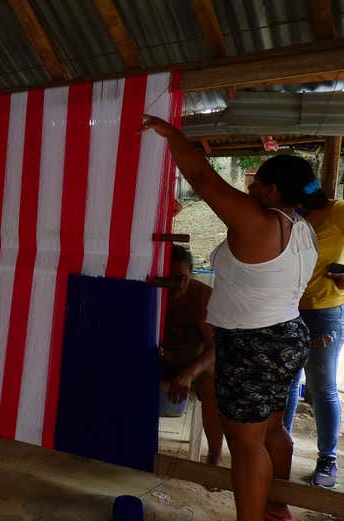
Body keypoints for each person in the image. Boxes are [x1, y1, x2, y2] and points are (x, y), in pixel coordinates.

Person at [142, 117, 318, 521]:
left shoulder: (259, 222)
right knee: (272, 430)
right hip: (288, 336)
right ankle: (277, 507)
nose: (249, 189)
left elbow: (202, 176)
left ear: (271, 189)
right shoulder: (302, 228)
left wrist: (172, 135)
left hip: (253, 342)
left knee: (246, 445)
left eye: (256, 184)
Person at [283, 193, 344, 488]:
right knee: (288, 382)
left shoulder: (336, 212)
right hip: (286, 308)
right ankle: (278, 448)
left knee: (323, 388)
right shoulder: (285, 211)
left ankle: (327, 459)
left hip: (324, 311)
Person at [161, 245, 223, 466]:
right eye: (170, 278)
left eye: (182, 278)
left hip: (194, 361)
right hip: (158, 358)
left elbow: (215, 347)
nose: (177, 285)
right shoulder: (151, 291)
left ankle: (214, 455)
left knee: (212, 386)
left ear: (191, 275)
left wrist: (188, 374)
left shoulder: (201, 296)